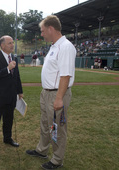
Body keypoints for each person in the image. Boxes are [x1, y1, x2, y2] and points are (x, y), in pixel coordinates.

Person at [26, 15, 76, 169]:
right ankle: (42, 150)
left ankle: (57, 160)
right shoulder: (54, 46)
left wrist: (59, 98)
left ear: (50, 29)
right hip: (47, 92)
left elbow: (65, 75)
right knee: (46, 124)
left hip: (57, 93)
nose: (41, 34)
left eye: (42, 31)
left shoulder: (65, 47)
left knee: (57, 128)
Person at [0, 35, 23, 153]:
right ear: (2, 45)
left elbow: (16, 76)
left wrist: (20, 91)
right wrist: (7, 68)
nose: (12, 45)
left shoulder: (14, 58)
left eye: (13, 42)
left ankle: (7, 138)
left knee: (8, 119)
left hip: (11, 95)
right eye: (10, 43)